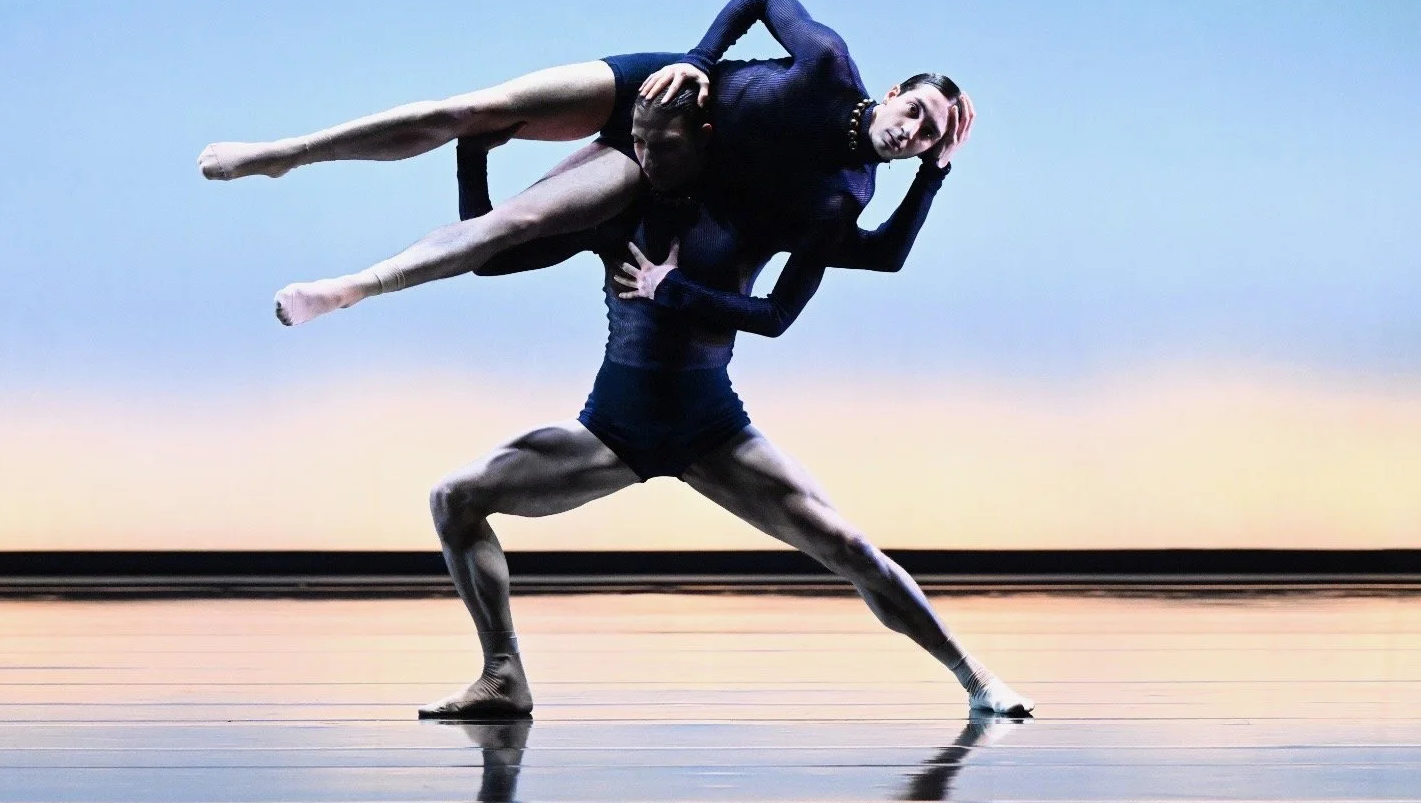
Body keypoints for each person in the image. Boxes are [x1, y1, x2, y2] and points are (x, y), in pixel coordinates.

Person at [415, 92, 1033, 722]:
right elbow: (490, 258)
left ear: (705, 139)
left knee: (847, 546)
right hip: (612, 430)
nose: (648, 157)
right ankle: (503, 676)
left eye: (665, 144)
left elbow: (876, 256)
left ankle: (975, 675)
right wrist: (472, 156)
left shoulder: (756, 213)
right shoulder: (616, 209)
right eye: (639, 143)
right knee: (454, 497)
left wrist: (932, 173)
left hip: (712, 431)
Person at [198, 0, 964, 328]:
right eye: (916, 111)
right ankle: (283, 153)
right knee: (476, 107)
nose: (915, 130)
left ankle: (352, 288)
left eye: (930, 133)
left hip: (660, 165)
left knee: (518, 223)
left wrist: (934, 177)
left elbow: (880, 259)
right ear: (895, 91)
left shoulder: (846, 191)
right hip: (652, 86)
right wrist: (700, 57)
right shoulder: (827, 64)